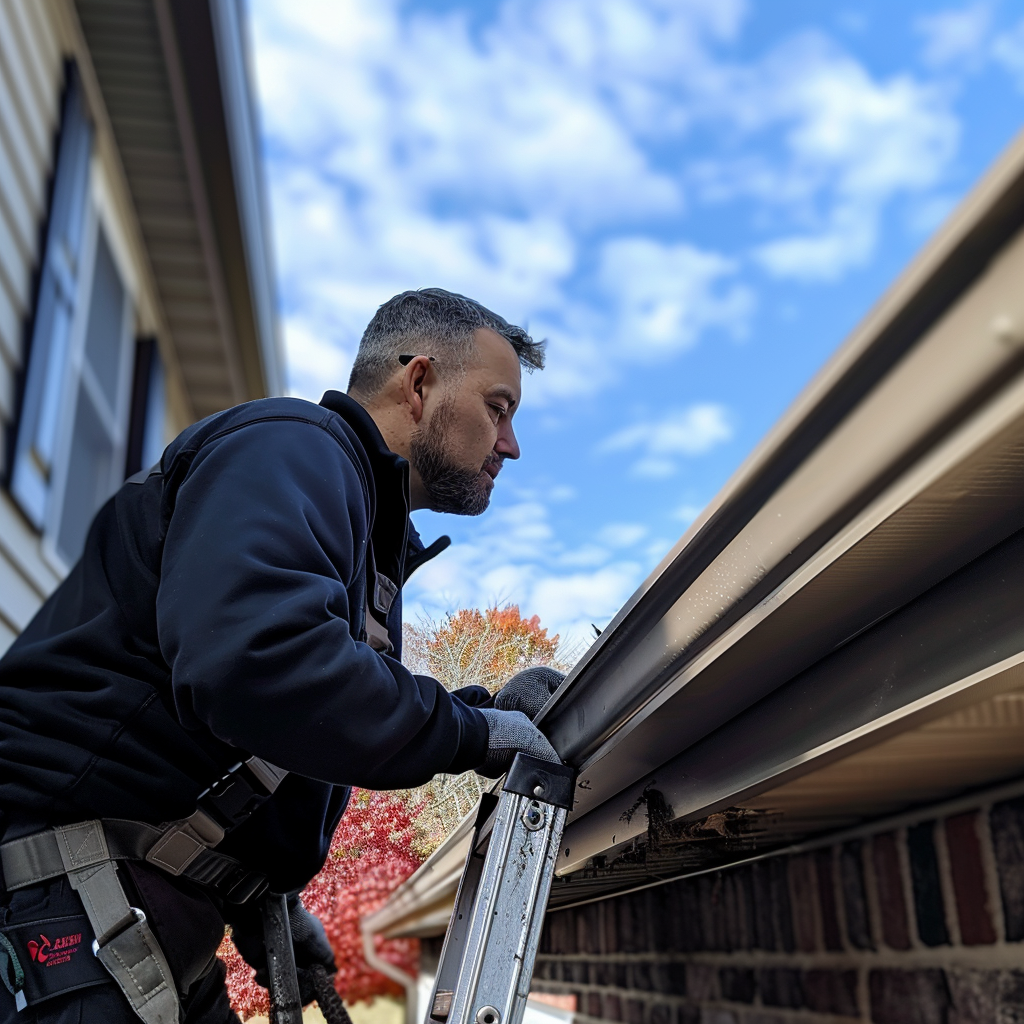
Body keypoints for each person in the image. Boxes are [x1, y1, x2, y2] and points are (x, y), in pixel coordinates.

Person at [0, 289, 566, 1024]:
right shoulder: (293, 446)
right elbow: (257, 662)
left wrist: (265, 892)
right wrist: (474, 736)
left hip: (142, 919)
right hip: (73, 911)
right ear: (420, 383)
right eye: (499, 406)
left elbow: (286, 712)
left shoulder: (354, 520)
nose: (511, 443)